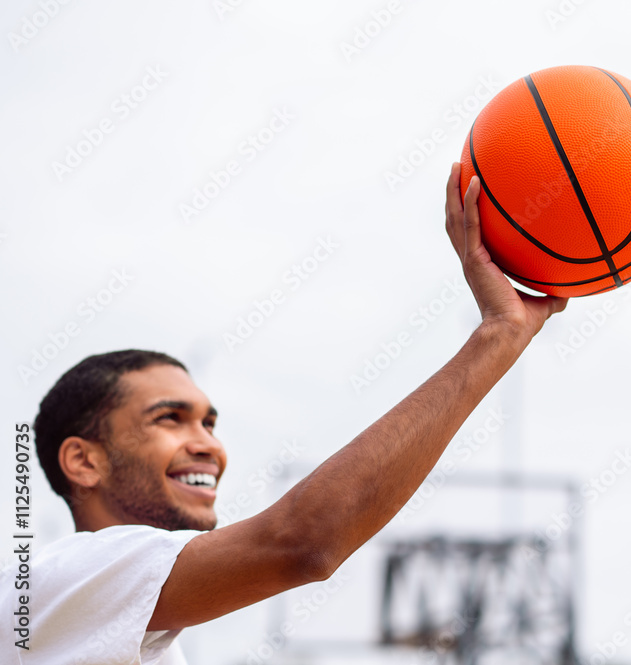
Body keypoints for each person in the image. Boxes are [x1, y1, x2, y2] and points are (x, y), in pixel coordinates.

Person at [0, 165, 567, 664]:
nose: (208, 445)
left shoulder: (112, 619)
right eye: (168, 419)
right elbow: (303, 541)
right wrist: (498, 335)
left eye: (209, 423)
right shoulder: (64, 577)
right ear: (83, 461)